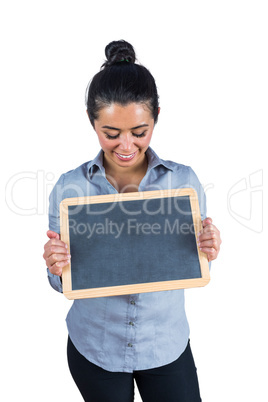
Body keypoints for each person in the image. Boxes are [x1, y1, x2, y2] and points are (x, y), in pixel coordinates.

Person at [43, 40, 221, 402]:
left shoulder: (182, 182)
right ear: (92, 122)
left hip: (165, 344)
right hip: (95, 346)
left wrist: (207, 247)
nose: (126, 145)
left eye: (139, 132)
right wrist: (55, 267)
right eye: (111, 134)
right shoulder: (70, 188)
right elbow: (62, 284)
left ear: (156, 114)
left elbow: (189, 259)